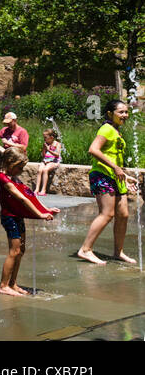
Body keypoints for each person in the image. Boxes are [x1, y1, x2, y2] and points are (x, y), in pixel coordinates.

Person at [76, 99, 140, 265]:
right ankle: (85, 249)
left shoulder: (116, 131)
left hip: (115, 176)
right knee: (107, 213)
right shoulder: (106, 129)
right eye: (121, 112)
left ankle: (118, 252)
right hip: (102, 175)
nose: (125, 115)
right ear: (110, 113)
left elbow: (112, 156)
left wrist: (124, 175)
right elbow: (93, 149)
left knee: (123, 214)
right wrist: (115, 168)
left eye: (126, 112)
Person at [0, 146, 58, 296]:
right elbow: (22, 199)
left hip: (17, 216)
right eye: (19, 167)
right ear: (10, 163)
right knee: (14, 251)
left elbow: (30, 196)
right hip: (9, 218)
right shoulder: (2, 178)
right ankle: (3, 285)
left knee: (21, 251)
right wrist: (40, 215)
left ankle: (13, 283)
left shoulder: (13, 177)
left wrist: (46, 210)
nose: (21, 171)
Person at [35, 128, 62, 195]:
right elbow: (43, 155)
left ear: (51, 137)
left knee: (45, 170)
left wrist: (48, 150)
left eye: (45, 137)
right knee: (39, 170)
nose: (44, 139)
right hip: (46, 160)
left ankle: (43, 190)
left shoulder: (57, 144)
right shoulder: (46, 144)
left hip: (54, 161)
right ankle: (37, 189)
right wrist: (44, 149)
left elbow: (57, 155)